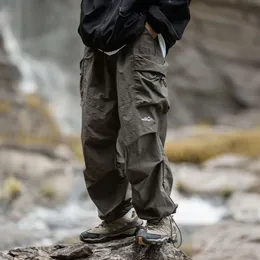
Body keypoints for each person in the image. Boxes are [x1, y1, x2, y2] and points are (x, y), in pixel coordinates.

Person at [78, 0, 191, 246]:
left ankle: (159, 218)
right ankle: (117, 218)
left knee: (142, 132)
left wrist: (156, 22)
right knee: (95, 135)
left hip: (140, 35)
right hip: (97, 38)